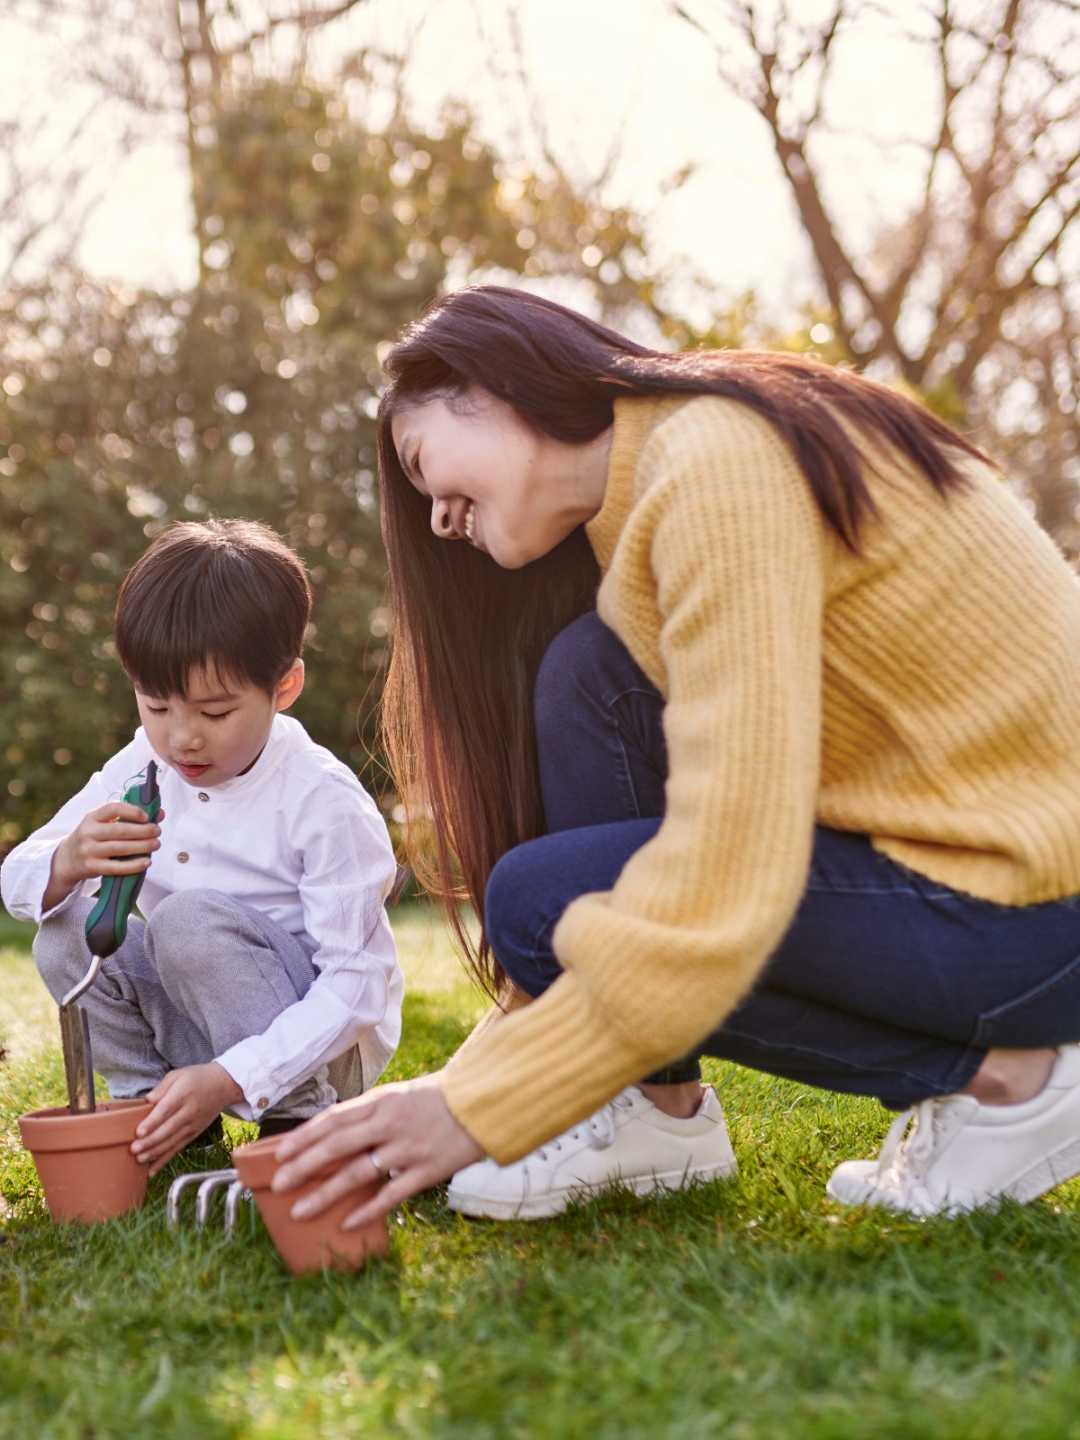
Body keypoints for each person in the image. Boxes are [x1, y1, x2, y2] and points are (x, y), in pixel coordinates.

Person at [269, 284, 1080, 1228]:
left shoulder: (715, 470)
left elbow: (730, 869)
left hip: (1034, 910)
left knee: (546, 902)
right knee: (587, 674)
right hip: (994, 888)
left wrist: (470, 1107)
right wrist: (486, 1077)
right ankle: (658, 1108)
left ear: (489, 389)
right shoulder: (668, 478)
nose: (437, 519)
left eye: (421, 463)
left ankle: (1010, 1077)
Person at [1, 519, 403, 1175]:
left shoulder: (323, 801)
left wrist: (233, 1075)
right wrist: (68, 858)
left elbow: (355, 988)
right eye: (156, 707)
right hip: (198, 1025)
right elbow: (18, 879)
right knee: (63, 931)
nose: (182, 738)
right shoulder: (141, 767)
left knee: (186, 919)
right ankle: (158, 1115)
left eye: (214, 713)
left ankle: (296, 1122)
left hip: (312, 1048)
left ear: (284, 688)